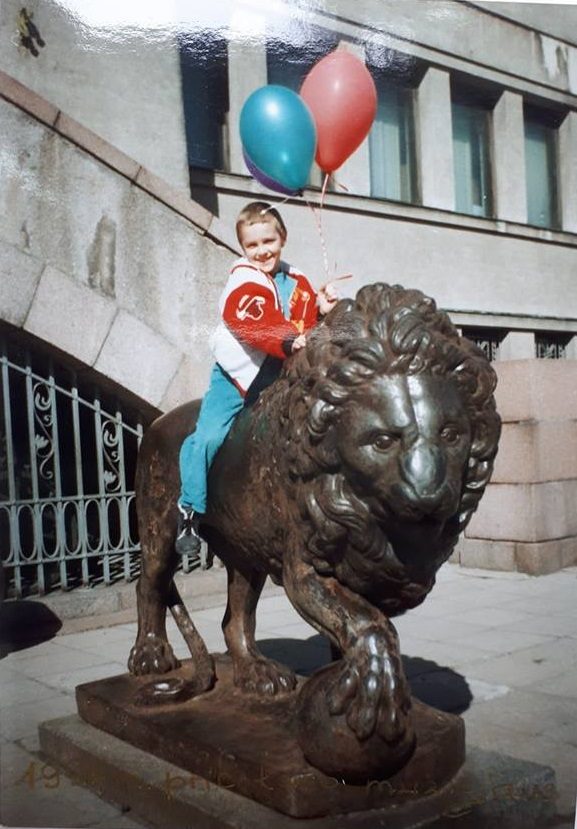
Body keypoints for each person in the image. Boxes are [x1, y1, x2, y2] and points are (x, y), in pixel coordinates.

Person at [176, 201, 338, 558]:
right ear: (242, 248)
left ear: (282, 239)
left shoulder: (297, 280)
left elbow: (303, 318)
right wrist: (285, 339)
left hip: (279, 375)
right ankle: (190, 509)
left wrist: (320, 307)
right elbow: (252, 319)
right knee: (207, 437)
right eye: (253, 245)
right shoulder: (243, 281)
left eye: (269, 241)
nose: (262, 250)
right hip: (237, 377)